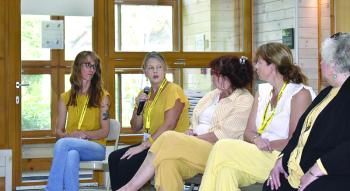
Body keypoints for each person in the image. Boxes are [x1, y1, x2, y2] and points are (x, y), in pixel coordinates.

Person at [117, 55, 255, 191]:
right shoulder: (211, 95)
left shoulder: (244, 100)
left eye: (215, 73)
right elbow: (194, 122)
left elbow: (223, 135)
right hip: (195, 148)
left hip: (218, 151)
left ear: (227, 77)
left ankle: (129, 188)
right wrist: (189, 132)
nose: (212, 76)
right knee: (166, 163)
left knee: (168, 137)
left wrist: (192, 138)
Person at [199, 42, 316, 191]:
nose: (255, 67)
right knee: (225, 171)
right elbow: (248, 132)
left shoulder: (300, 94)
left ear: (272, 65)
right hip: (258, 154)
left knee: (222, 146)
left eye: (258, 62)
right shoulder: (262, 91)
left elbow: (295, 140)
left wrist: (265, 145)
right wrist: (256, 140)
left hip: (282, 158)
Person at [263, 33, 350, 191]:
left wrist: (317, 169)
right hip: (300, 168)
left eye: (323, 60)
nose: (321, 63)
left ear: (334, 65)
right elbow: (300, 132)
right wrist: (281, 160)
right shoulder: (327, 92)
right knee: (272, 185)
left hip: (333, 170)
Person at [108, 51, 190, 190]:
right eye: (151, 68)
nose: (155, 71)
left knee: (127, 162)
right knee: (114, 157)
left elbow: (169, 124)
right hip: (153, 144)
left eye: (159, 67)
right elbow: (135, 126)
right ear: (145, 72)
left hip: (170, 145)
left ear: (165, 70)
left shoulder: (173, 90)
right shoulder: (146, 93)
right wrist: (138, 107)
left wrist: (144, 145)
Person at [45, 51, 110, 191]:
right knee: (71, 154)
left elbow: (105, 131)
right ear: (77, 67)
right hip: (72, 144)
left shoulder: (102, 96)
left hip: (96, 147)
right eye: (88, 65)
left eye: (94, 66)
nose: (92, 69)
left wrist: (84, 134)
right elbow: (58, 130)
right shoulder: (65, 97)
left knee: (63, 145)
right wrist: (68, 136)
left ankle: (52, 188)